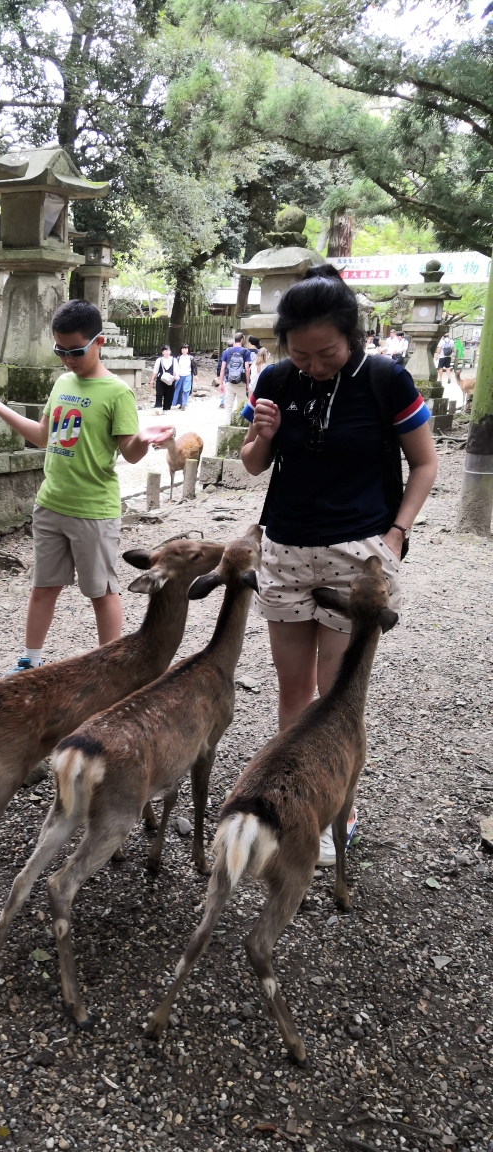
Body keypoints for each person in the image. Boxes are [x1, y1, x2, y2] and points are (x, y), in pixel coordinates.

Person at [239, 265, 438, 866]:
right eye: (300, 354)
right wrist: (262, 435)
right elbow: (252, 465)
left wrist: (397, 535)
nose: (313, 364)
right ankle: (293, 804)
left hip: (357, 554)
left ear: (351, 336)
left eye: (325, 352)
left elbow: (426, 464)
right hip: (286, 551)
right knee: (293, 690)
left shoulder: (386, 379)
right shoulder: (276, 378)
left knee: (337, 696)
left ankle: (336, 815)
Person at [0, 299, 175, 672]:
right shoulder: (62, 381)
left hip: (93, 510)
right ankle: (29, 661)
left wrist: (144, 439)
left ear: (99, 343)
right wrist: (0, 408)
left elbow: (129, 453)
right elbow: (44, 436)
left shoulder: (117, 392)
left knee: (101, 592)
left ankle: (110, 668)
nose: (67, 359)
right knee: (43, 587)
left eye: (75, 350)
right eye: (59, 350)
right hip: (51, 504)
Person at [218, 331, 251, 413]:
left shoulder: (226, 352)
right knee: (240, 407)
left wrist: (221, 383)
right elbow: (247, 369)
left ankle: (227, 424)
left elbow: (222, 369)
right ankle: (238, 425)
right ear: (242, 340)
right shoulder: (246, 352)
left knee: (228, 408)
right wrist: (247, 384)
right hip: (241, 382)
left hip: (229, 381)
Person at [151, 345, 177, 412]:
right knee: (159, 393)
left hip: (170, 379)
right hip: (160, 379)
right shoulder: (159, 360)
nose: (167, 352)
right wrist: (152, 380)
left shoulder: (174, 360)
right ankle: (158, 407)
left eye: (168, 350)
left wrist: (176, 376)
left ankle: (166, 408)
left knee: (169, 393)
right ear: (162, 352)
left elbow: (176, 369)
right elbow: (155, 370)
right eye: (166, 350)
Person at [172, 343, 194, 410]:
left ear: (188, 350)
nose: (184, 350)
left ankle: (184, 404)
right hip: (179, 375)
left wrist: (195, 375)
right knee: (178, 390)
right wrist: (174, 374)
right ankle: (180, 403)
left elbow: (194, 367)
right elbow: (175, 367)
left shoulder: (190, 358)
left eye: (186, 348)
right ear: (181, 350)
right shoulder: (178, 358)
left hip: (188, 375)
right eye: (183, 348)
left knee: (186, 389)